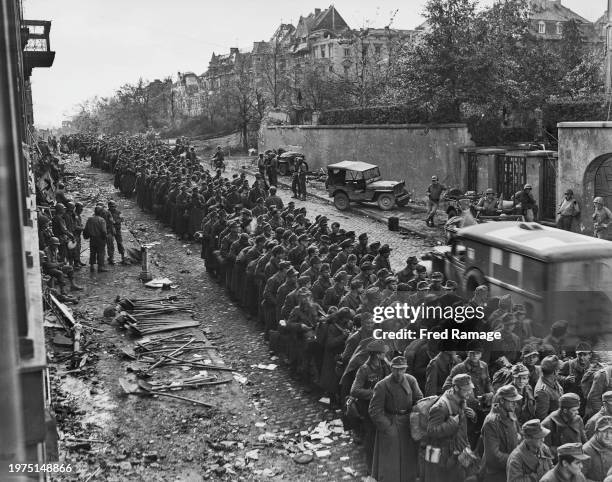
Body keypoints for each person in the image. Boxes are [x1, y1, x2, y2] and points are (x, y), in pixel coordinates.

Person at [369, 355, 423, 482]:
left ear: (406, 369)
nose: (399, 372)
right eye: (396, 369)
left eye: (402, 369)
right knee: (391, 459)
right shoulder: (382, 385)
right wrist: (387, 427)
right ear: (391, 368)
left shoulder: (411, 380)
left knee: (409, 457)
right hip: (391, 422)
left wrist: (415, 417)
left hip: (408, 423)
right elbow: (374, 410)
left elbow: (419, 399)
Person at [423, 373, 476, 482]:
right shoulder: (441, 407)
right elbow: (431, 431)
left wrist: (473, 416)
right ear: (456, 388)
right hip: (445, 457)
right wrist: (451, 424)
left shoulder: (461, 401)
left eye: (470, 389)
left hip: (459, 451)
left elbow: (462, 429)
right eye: (466, 390)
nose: (469, 392)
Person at [350, 340, 390, 475]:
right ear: (377, 355)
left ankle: (382, 464)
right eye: (383, 353)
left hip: (382, 408)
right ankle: (371, 467)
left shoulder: (384, 365)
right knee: (371, 437)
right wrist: (375, 393)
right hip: (368, 409)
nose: (385, 354)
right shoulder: (364, 369)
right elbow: (354, 390)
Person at [481, 385, 522, 482]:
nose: (515, 404)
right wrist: (516, 460)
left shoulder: (511, 413)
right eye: (511, 401)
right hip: (496, 475)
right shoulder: (491, 422)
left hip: (510, 470)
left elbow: (520, 434)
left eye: (515, 401)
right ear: (502, 401)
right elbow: (493, 456)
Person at [541, 393, 586, 459]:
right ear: (565, 410)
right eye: (574, 410)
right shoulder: (547, 424)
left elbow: (584, 440)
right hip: (560, 461)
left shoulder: (578, 419)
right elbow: (545, 450)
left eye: (577, 409)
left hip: (578, 459)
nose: (577, 412)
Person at [583, 416, 612, 481]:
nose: (608, 436)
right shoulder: (586, 451)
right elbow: (579, 478)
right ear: (597, 432)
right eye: (604, 432)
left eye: (611, 432)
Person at [83, 206, 108, 272]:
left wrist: (86, 236)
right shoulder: (102, 220)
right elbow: (103, 231)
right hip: (100, 238)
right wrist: (105, 237)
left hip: (92, 238)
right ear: (101, 212)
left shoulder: (90, 219)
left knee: (92, 252)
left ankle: (92, 266)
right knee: (101, 252)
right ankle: (100, 267)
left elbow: (86, 229)